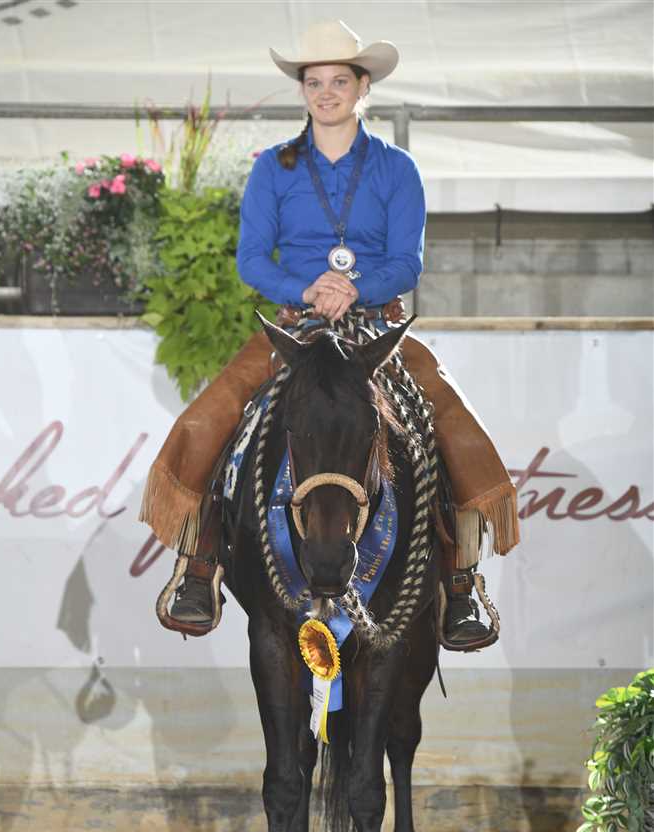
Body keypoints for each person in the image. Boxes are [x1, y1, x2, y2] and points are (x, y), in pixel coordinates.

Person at [139, 19, 519, 651]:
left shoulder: (397, 168)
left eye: (339, 81)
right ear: (303, 90)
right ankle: (198, 568)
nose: (326, 92)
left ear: (363, 86)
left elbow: (407, 263)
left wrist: (353, 287)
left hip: (377, 326)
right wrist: (309, 289)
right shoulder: (273, 168)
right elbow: (252, 261)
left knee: (450, 418)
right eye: (314, 82)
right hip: (297, 324)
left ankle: (460, 582)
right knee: (212, 416)